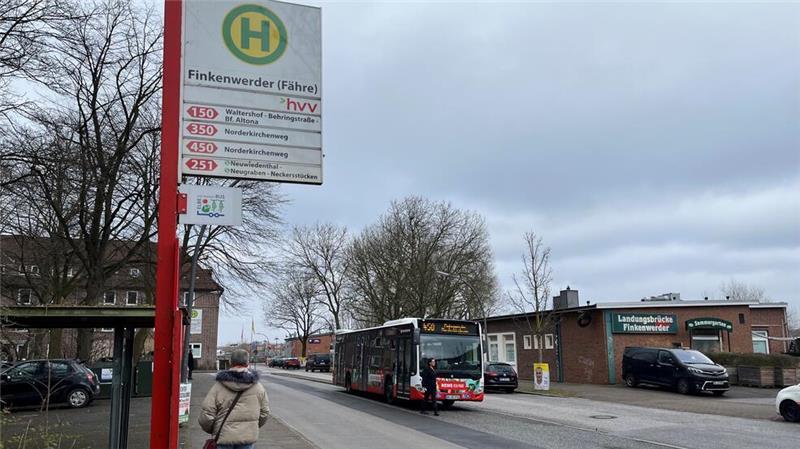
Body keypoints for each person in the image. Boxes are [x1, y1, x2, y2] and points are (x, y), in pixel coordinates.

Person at [199, 349, 269, 449]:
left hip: (223, 438)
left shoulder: (218, 387)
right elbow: (264, 412)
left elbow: (206, 415)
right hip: (247, 437)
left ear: (231, 363)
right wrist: (252, 426)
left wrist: (214, 429)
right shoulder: (258, 388)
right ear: (247, 363)